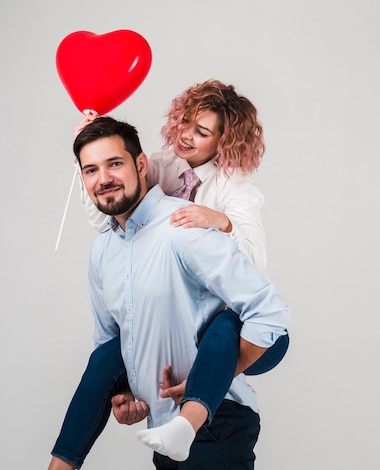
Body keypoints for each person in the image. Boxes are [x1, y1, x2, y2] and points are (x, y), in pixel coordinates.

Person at [49, 82, 289, 469]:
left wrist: (220, 222)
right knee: (109, 353)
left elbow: (257, 270)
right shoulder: (159, 169)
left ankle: (194, 410)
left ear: (224, 143)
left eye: (202, 131)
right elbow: (107, 207)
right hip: (168, 404)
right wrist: (88, 141)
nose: (186, 135)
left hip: (239, 330)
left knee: (223, 327)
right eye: (185, 123)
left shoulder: (230, 192)